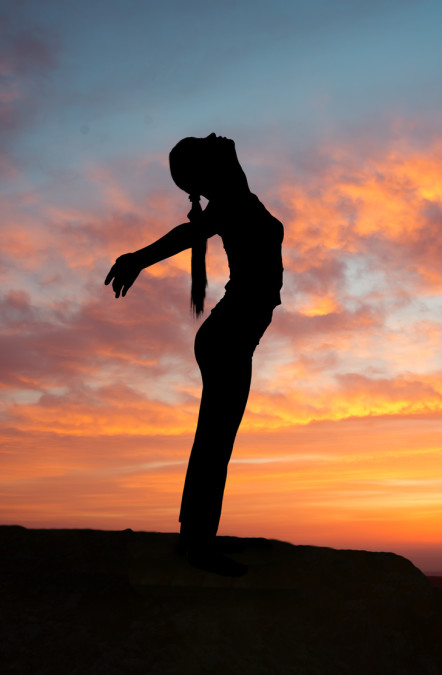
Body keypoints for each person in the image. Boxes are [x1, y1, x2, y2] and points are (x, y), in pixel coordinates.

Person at [104, 133, 283, 576]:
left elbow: (228, 150)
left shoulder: (236, 197)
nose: (220, 142)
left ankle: (194, 537)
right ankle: (201, 546)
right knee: (216, 442)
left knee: (214, 439)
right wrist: (139, 258)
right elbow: (189, 231)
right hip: (229, 335)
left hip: (234, 334)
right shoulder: (232, 201)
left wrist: (211, 152)